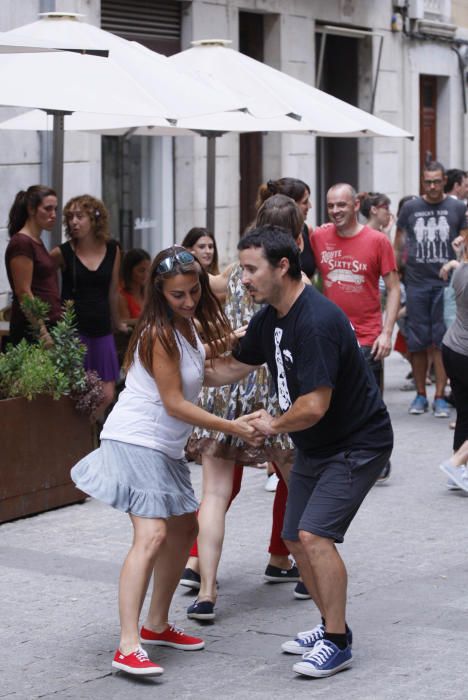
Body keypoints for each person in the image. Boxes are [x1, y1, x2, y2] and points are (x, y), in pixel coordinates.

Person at [204, 226, 394, 678]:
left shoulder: (317, 321)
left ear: (282, 266)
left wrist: (271, 424)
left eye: (251, 269)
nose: (242, 279)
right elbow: (235, 364)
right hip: (316, 442)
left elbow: (313, 405)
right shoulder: (271, 316)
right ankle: (329, 622)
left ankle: (337, 640)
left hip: (357, 443)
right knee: (293, 537)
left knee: (315, 536)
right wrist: (179, 377)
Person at [71, 246, 261, 678]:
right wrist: (233, 426)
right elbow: (175, 403)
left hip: (163, 449)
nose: (190, 300)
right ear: (160, 293)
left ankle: (156, 625)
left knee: (183, 529)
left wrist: (252, 349)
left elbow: (208, 372)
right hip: (136, 441)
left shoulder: (186, 328)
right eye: (179, 295)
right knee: (153, 534)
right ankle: (127, 644)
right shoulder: (158, 332)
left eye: (194, 291)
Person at [182, 195, 307, 621]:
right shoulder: (295, 282)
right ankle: (306, 568)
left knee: (214, 494)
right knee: (298, 482)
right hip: (273, 392)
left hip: (225, 386)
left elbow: (205, 283)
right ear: (295, 237)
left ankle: (208, 590)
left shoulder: (237, 272)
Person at [311, 184, 399, 482]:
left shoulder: (377, 241)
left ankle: (376, 456)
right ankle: (344, 456)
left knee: (369, 403)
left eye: (341, 205)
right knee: (332, 400)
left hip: (368, 336)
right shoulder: (319, 236)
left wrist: (387, 332)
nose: (335, 211)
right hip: (330, 337)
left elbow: (395, 288)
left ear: (355, 204)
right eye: (331, 205)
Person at [395, 161, 468, 417]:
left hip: (446, 286)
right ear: (422, 181)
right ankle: (420, 395)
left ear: (444, 180)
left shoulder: (457, 207)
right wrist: (398, 273)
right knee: (416, 343)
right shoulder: (411, 207)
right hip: (416, 283)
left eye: (437, 181)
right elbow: (399, 242)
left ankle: (439, 396)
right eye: (429, 182)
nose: (433, 186)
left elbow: (466, 243)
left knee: (441, 342)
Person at [51, 195, 127, 419]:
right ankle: (81, 439)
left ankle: (88, 432)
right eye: (70, 217)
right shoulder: (62, 252)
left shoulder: (112, 249)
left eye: (79, 216)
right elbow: (43, 281)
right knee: (76, 394)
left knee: (107, 393)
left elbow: (113, 290)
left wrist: (117, 323)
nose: (74, 222)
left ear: (94, 219)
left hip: (102, 329)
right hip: (74, 333)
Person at [5, 185, 61, 346]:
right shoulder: (22, 243)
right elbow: (23, 292)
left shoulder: (36, 241)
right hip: (32, 331)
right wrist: (42, 333)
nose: (53, 215)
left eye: (55, 209)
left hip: (50, 325)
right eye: (47, 209)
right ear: (31, 209)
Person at [438, 229, 468, 490]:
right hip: (464, 352)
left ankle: (458, 474)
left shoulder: (460, 270)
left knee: (465, 413)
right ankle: (457, 462)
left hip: (452, 348)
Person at [255, 178, 316, 278]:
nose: (310, 206)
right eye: (305, 202)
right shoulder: (262, 239)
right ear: (291, 205)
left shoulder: (305, 230)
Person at [119, 248, 151, 324]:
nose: (146, 275)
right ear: (129, 270)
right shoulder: (121, 297)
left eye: (149, 270)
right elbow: (123, 323)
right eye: (141, 270)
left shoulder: (148, 293)